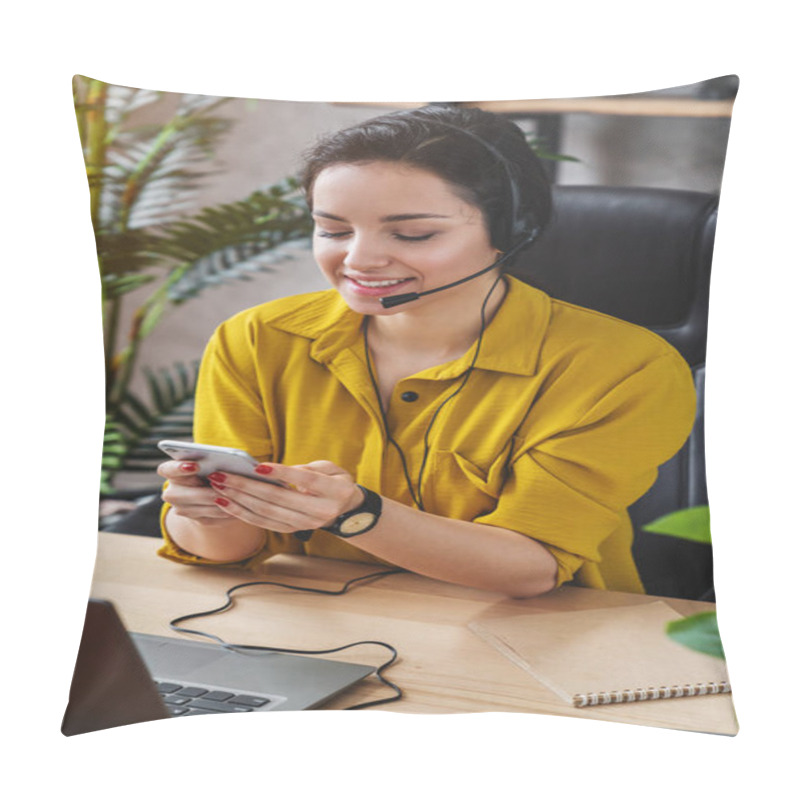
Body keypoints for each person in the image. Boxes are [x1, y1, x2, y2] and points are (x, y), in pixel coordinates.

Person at [156, 105, 696, 599]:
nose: (359, 260)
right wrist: (210, 512)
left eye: (412, 234)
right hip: (313, 626)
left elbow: (530, 567)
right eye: (333, 229)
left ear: (512, 232)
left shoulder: (625, 369)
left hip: (539, 639)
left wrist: (356, 513)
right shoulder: (257, 338)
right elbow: (227, 550)